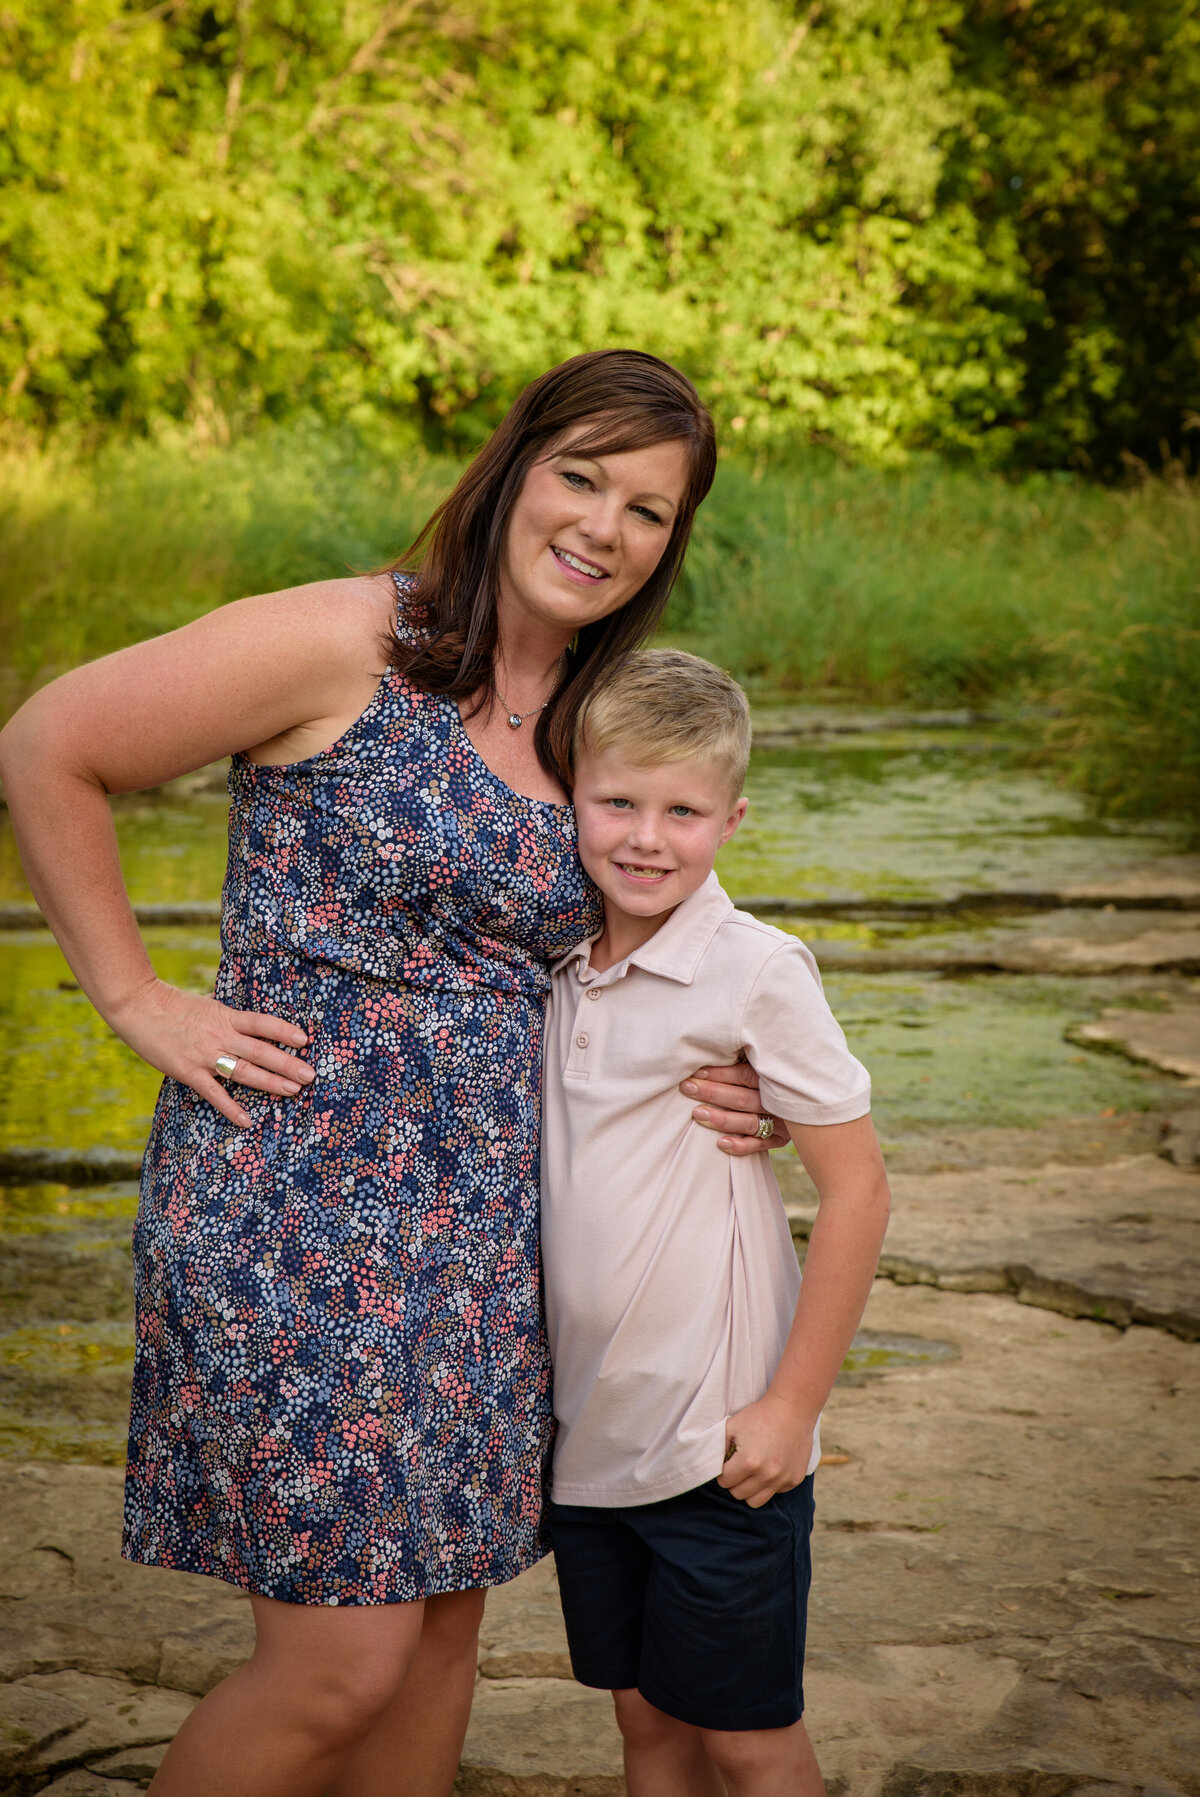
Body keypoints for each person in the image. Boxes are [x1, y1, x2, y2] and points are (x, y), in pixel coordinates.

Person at [0, 354, 784, 1797]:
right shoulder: (352, 636)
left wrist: (735, 1086)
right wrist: (133, 995)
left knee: (434, 1656)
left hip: (490, 1240)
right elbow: (50, 744)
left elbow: (644, 960)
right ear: (515, 468)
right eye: (583, 478)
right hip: (291, 1212)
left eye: (650, 510)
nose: (606, 527)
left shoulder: (599, 723)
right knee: (336, 1668)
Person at [540, 648, 892, 1797]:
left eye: (682, 810)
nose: (647, 837)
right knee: (647, 1732)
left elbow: (861, 1190)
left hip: (719, 1448)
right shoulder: (549, 964)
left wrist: (792, 1408)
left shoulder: (754, 971)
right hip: (592, 1443)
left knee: (747, 1740)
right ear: (572, 798)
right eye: (618, 802)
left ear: (731, 818)